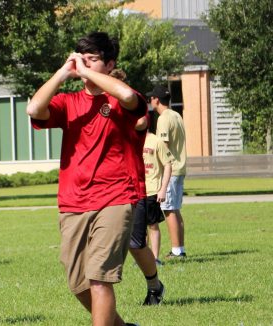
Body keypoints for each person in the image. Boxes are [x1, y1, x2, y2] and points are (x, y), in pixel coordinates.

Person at [26, 32, 147, 325]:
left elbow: (129, 97)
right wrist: (63, 72)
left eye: (92, 59)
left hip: (115, 198)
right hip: (73, 202)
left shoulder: (120, 98)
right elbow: (33, 109)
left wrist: (87, 71)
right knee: (78, 284)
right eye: (80, 58)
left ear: (110, 64)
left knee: (99, 279)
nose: (84, 66)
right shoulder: (68, 102)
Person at [128, 114, 172, 306]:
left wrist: (163, 188)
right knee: (137, 234)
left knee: (153, 225)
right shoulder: (128, 138)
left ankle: (154, 258)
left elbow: (168, 164)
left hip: (152, 190)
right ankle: (146, 259)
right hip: (133, 191)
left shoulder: (155, 141)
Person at [146, 85, 188, 260]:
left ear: (156, 100)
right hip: (180, 167)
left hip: (170, 170)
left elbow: (162, 144)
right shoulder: (176, 115)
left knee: (168, 209)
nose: (150, 101)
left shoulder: (163, 118)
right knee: (175, 210)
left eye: (151, 98)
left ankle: (177, 251)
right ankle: (180, 248)